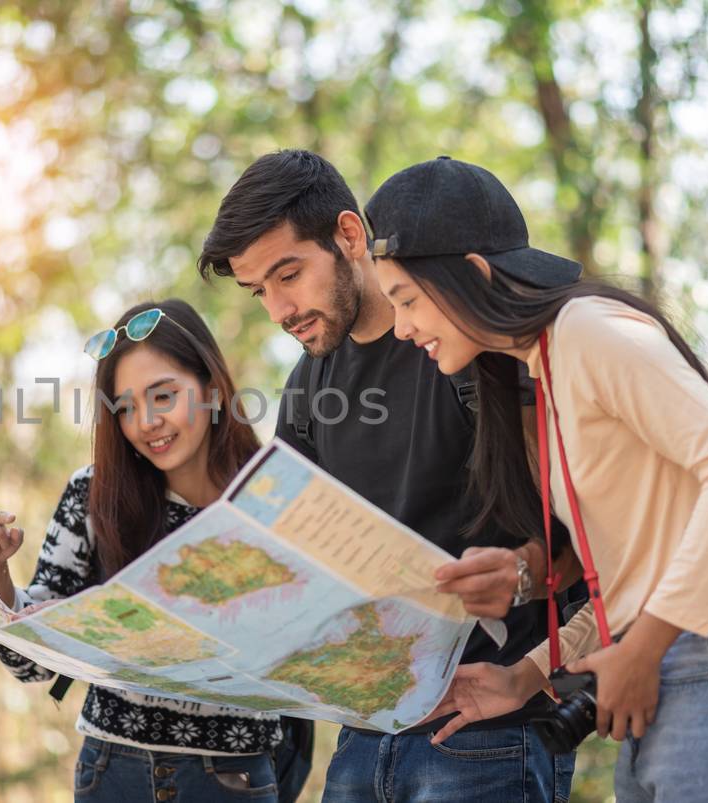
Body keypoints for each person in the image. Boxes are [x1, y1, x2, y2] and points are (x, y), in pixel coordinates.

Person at [365, 156, 708, 801]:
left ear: (472, 272)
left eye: (407, 300)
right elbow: (631, 577)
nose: (402, 328)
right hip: (666, 663)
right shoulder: (541, 374)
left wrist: (645, 650)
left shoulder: (586, 330)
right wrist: (525, 677)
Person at [199, 150, 580, 802]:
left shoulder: (465, 341)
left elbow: (585, 530)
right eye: (260, 290)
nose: (279, 309)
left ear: (350, 235)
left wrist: (524, 578)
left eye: (289, 274)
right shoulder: (310, 383)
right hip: (364, 735)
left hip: (485, 725)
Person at [0, 299, 309, 802]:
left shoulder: (276, 500)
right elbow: (32, 666)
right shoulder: (92, 494)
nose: (146, 422)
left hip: (233, 778)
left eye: (163, 395)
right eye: (125, 407)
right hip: (111, 771)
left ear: (212, 391)